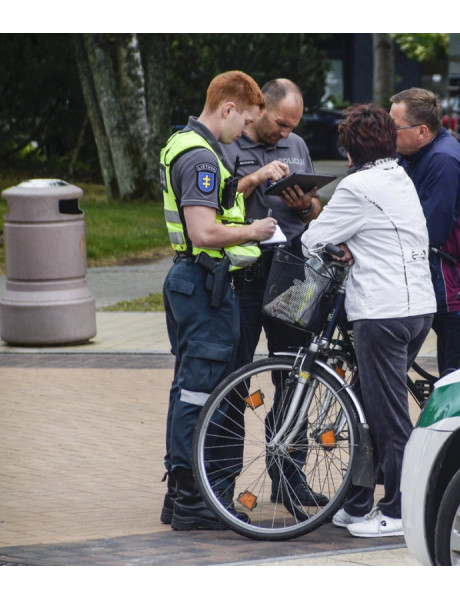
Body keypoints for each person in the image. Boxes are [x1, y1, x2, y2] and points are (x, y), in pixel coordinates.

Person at [159, 70, 290, 530]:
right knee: (198, 394)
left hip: (192, 282)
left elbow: (217, 201)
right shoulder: (200, 157)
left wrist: (250, 182)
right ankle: (194, 502)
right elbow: (203, 230)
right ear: (229, 108)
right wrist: (254, 231)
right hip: (204, 283)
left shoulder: (186, 144)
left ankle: (180, 497)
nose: (242, 133)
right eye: (245, 121)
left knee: (188, 390)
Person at [301, 104, 435, 538]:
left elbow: (312, 239)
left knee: (387, 417)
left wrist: (337, 244)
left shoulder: (357, 187)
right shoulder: (401, 178)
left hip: (381, 313)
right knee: (363, 406)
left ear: (348, 148)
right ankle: (357, 502)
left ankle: (399, 510)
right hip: (417, 310)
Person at [219, 78, 326, 507]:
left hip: (295, 271)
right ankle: (223, 482)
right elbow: (217, 200)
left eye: (292, 126)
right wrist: (256, 177)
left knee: (296, 374)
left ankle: (289, 476)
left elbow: (316, 209)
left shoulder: (296, 143)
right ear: (259, 108)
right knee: (234, 377)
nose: (286, 134)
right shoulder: (227, 141)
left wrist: (306, 206)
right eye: (281, 124)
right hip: (246, 273)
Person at [389, 88, 460, 376]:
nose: (387, 133)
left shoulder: (443, 160)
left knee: (459, 386)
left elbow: (429, 231)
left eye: (394, 127)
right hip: (444, 282)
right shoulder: (415, 154)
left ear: (422, 131)